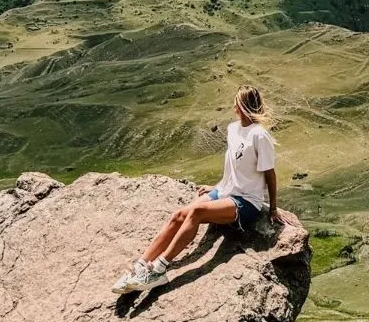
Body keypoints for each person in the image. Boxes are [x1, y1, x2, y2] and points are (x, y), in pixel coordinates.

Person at [112, 85, 277, 294]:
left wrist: (273, 209)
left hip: (246, 201)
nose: (233, 106)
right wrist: (218, 186)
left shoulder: (259, 135)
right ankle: (140, 265)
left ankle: (159, 269)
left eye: (236, 102)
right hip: (225, 191)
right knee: (179, 215)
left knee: (197, 212)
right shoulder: (233, 129)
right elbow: (234, 167)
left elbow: (270, 173)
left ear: (241, 105)